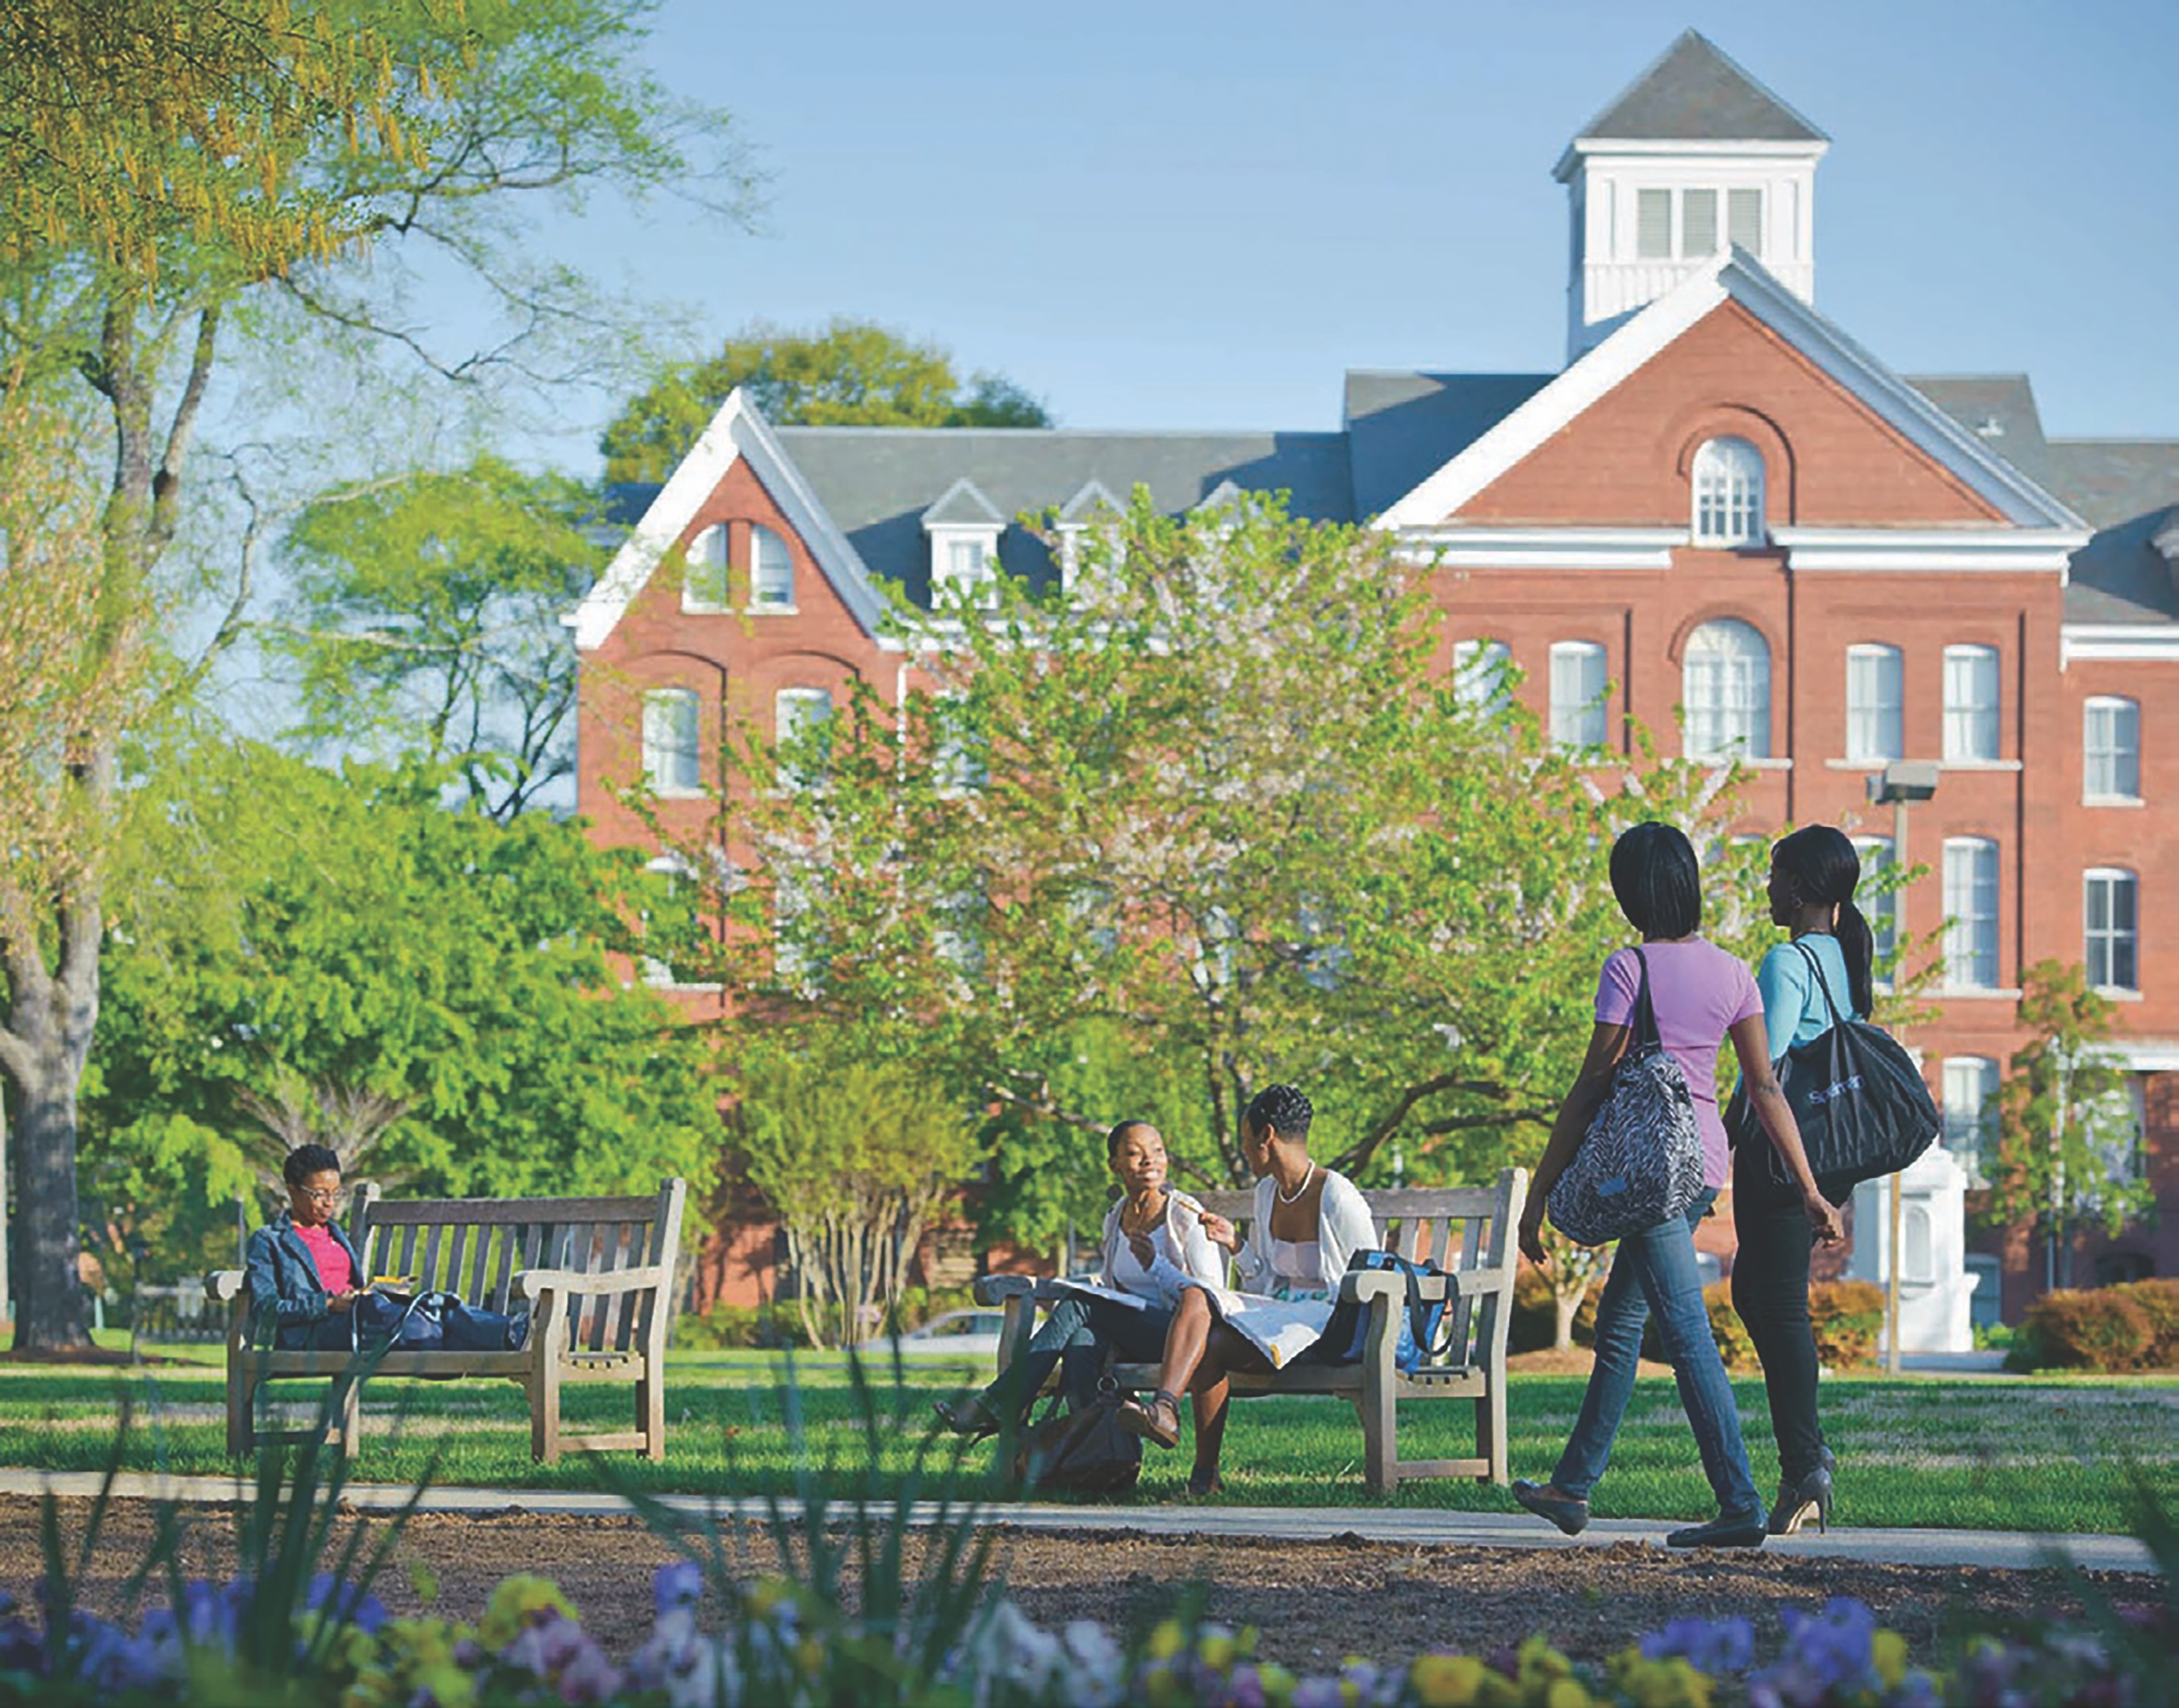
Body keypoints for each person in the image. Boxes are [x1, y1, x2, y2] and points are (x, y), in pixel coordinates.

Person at [1512, 822, 1845, 1549]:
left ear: (1631, 892)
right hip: (1703, 1166)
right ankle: (1573, 1487)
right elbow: (1765, 1088)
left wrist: (1541, 1189)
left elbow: (1591, 1085)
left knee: (1687, 1336)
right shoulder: (1733, 971)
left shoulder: (1627, 967)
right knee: (1622, 1325)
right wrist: (1812, 1187)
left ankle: (1738, 1500)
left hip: (1650, 1168)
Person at [1115, 1084, 1376, 1496]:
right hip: (1279, 1317)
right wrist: (1236, 1244)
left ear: (1265, 1136)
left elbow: (1371, 1275)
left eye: (1245, 1141)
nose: (1244, 1151)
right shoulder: (1267, 1192)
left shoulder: (1338, 1197)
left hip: (1329, 1325)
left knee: (1207, 1323)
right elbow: (1266, 1280)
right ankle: (1186, 1446)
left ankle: (1171, 1417)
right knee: (1203, 1313)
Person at [1734, 824, 1872, 1534]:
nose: (1767, 886)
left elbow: (1766, 1073)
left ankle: (1805, 1463)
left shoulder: (1787, 963)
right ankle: (1805, 1456)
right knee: (1756, 1292)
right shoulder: (1843, 959)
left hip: (1781, 1163)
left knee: (1779, 1303)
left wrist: (1727, 1128)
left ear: (1800, 886)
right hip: (1820, 1157)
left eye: (1773, 873)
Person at [934, 1119, 1225, 1438]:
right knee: (1081, 1342)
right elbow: (1114, 1286)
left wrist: (1156, 1265)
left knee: (1081, 1303)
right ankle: (1096, 1454)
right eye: (1134, 1153)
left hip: (1178, 1338)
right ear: (1114, 1165)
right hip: (1130, 1337)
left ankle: (998, 1403)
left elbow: (1210, 1296)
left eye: (1158, 1151)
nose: (1149, 1160)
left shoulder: (1184, 1214)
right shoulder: (1115, 1217)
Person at [244, 1145, 525, 1353]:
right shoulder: (269, 1240)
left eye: (335, 1193)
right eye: (319, 1194)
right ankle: (509, 1336)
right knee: (403, 1315)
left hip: (360, 1319)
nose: (329, 1203)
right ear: (292, 1190)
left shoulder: (335, 1233)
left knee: (434, 1304)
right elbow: (266, 1309)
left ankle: (516, 1332)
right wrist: (329, 1303)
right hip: (315, 1332)